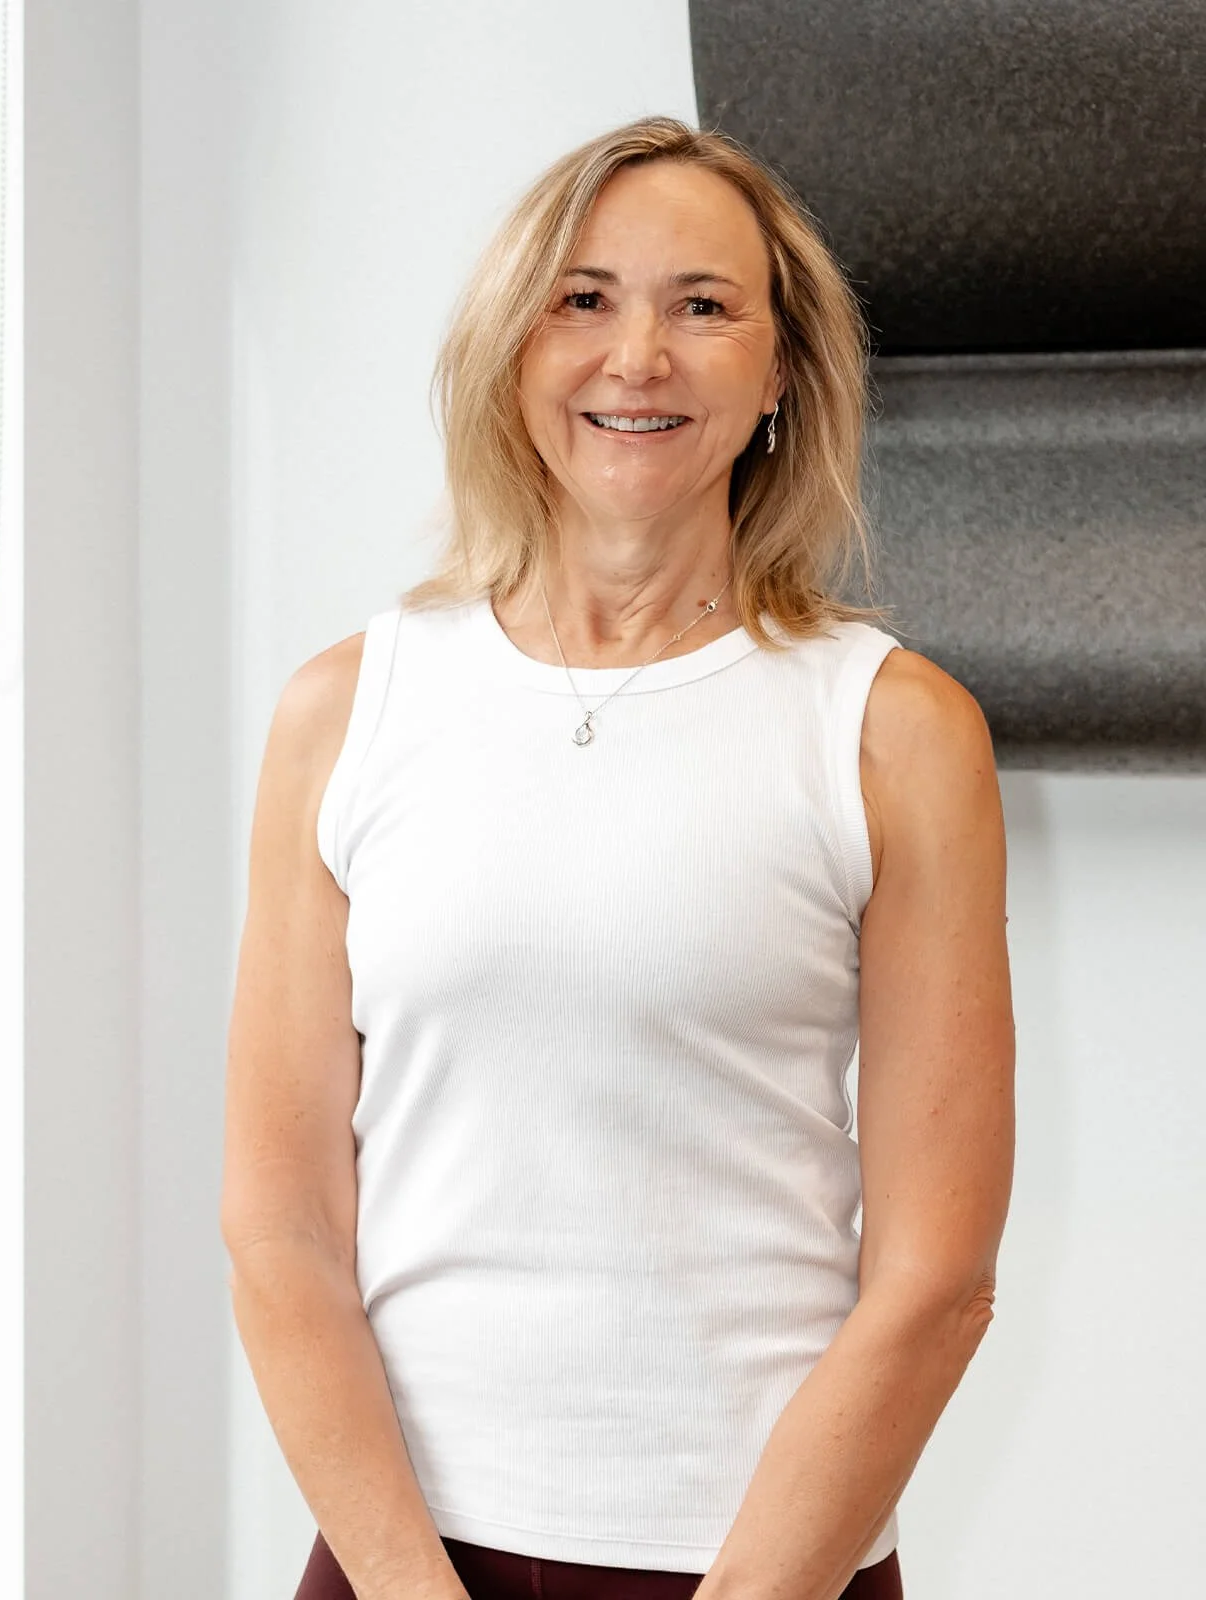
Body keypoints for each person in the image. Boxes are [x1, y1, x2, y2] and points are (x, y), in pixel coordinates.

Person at [219, 115, 1015, 1600]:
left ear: (779, 373)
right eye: (582, 298)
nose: (636, 355)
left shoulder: (894, 733)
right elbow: (280, 1227)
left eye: (703, 306)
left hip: (762, 1569)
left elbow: (937, 1283)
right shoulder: (347, 710)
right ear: (513, 350)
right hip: (403, 1561)